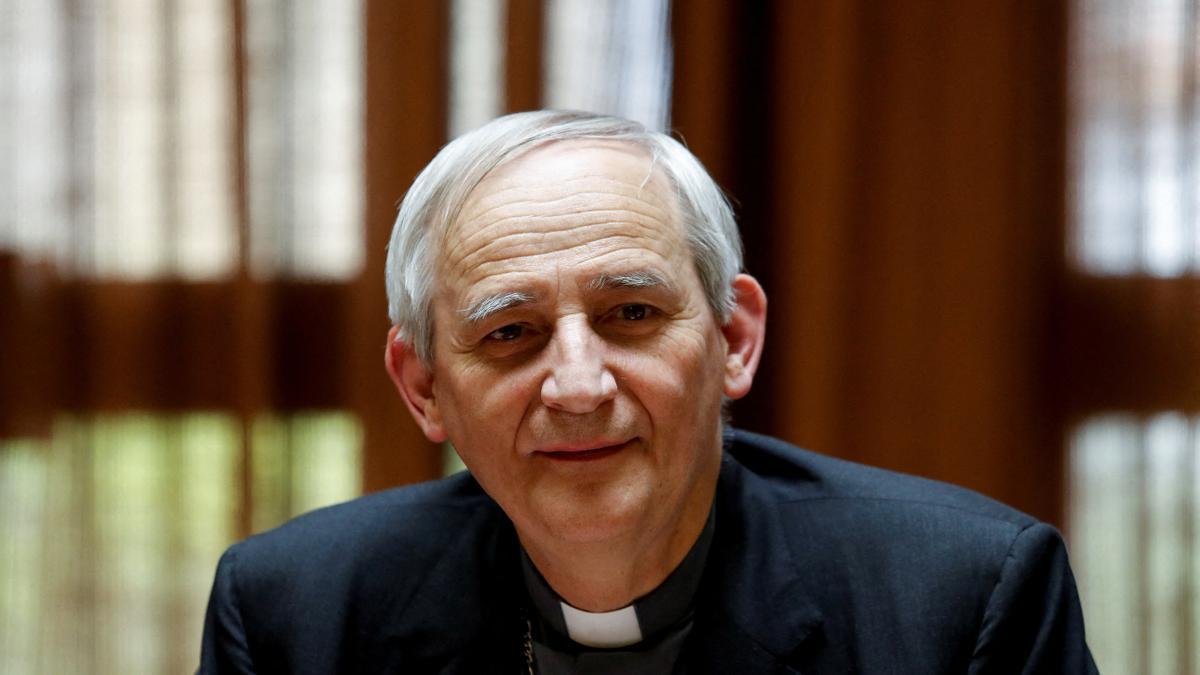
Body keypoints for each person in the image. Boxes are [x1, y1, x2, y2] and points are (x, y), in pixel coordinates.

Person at [199, 110, 1097, 674]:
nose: (579, 387)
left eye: (631, 312)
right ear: (426, 387)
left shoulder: (963, 601)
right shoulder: (296, 616)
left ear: (732, 340)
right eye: (510, 332)